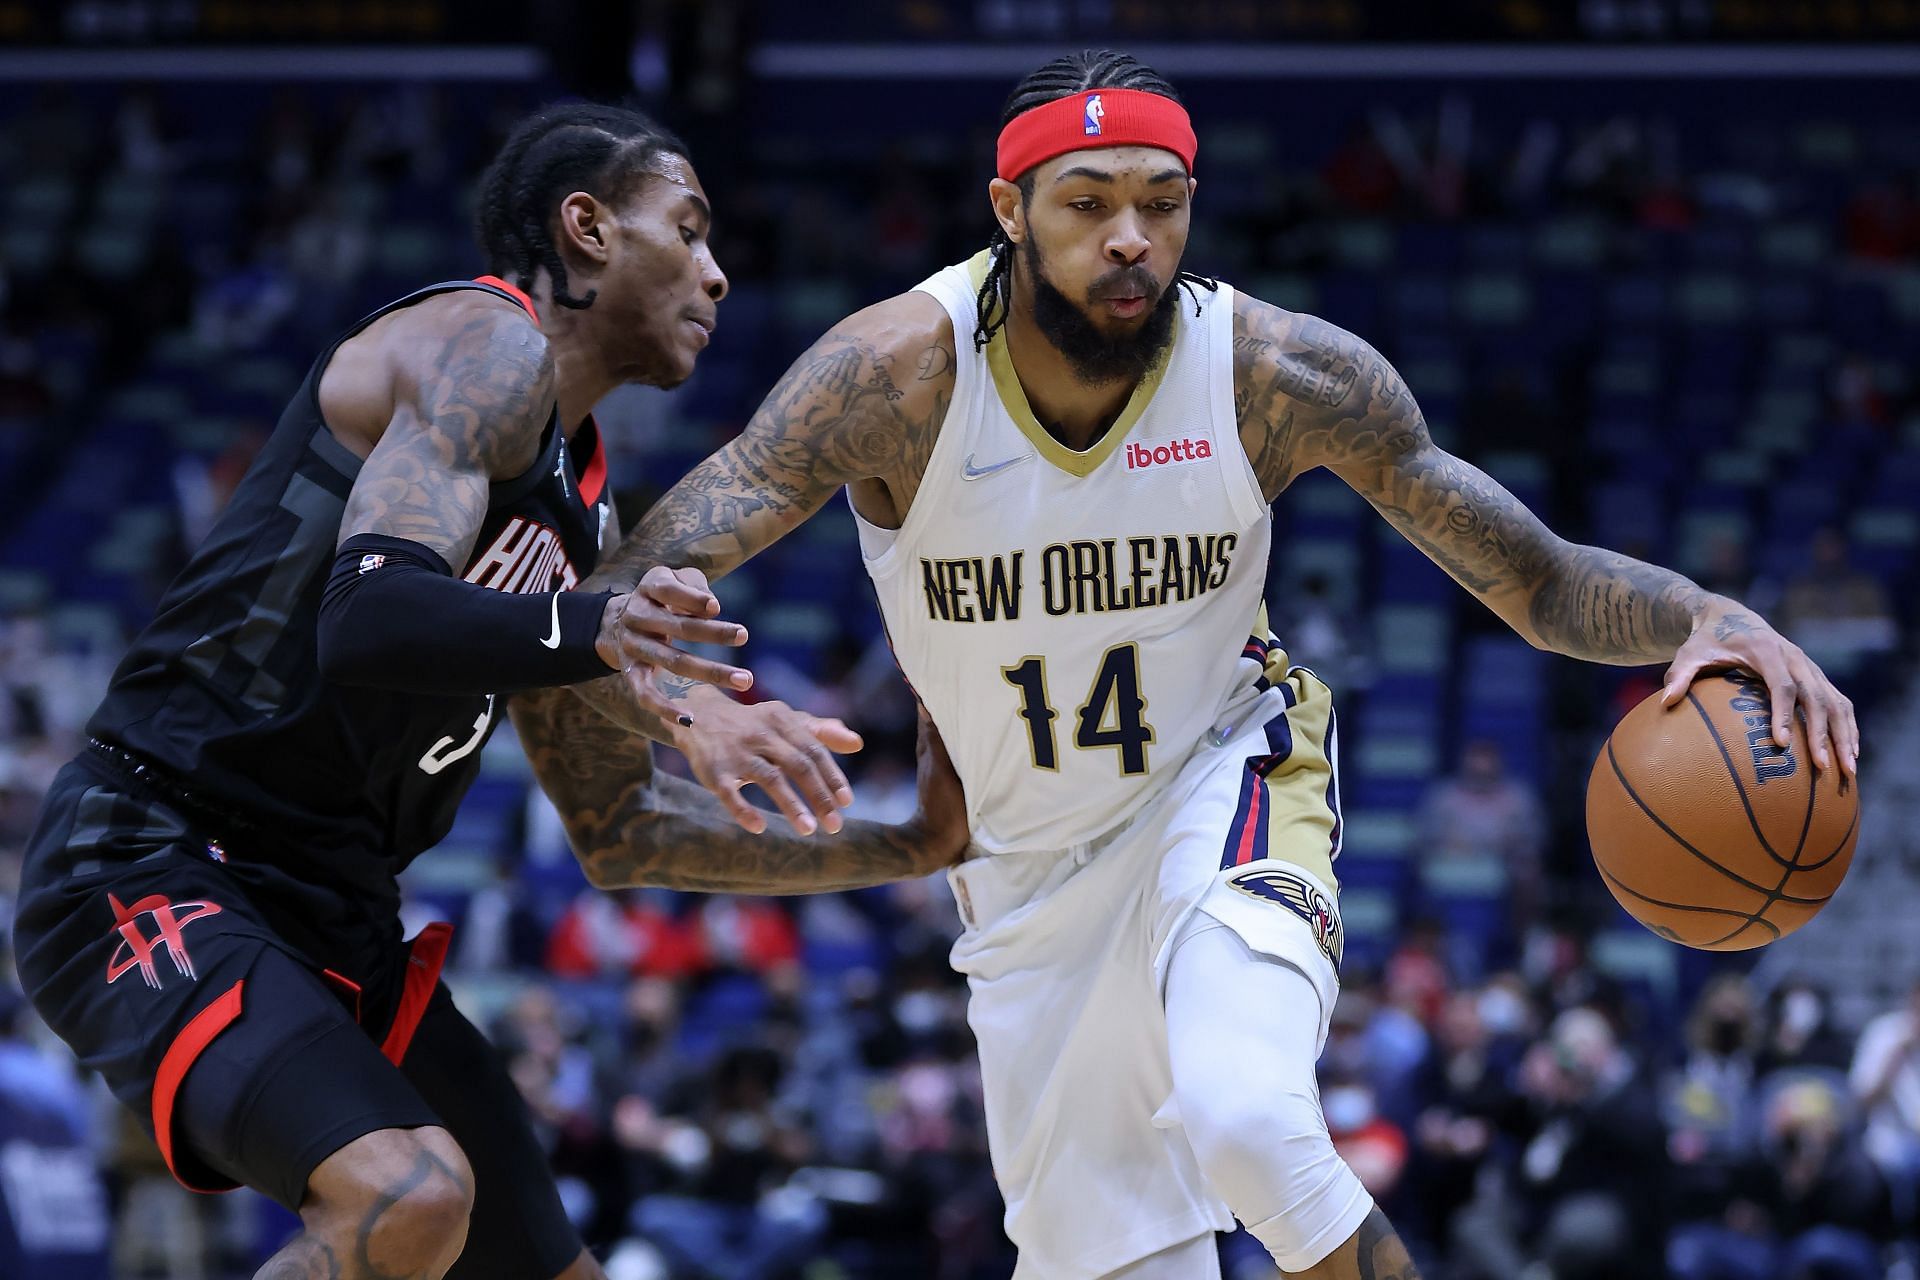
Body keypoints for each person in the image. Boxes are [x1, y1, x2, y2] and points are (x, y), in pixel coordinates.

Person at [584, 51, 1859, 1279]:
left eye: (1163, 202)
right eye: (1088, 205)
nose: (1130, 236)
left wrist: (1710, 613)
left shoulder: (1275, 373)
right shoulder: (892, 377)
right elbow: (618, 585)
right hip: (1025, 876)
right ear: (1009, 209)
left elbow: (1535, 579)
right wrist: (687, 699)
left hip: (1225, 776)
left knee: (1250, 1116)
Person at [11, 103, 968, 1280]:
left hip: (332, 910)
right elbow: (366, 613)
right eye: (688, 228)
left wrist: (905, 845)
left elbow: (619, 834)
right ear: (588, 228)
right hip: (155, 850)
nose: (719, 274)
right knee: (407, 1193)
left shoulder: (586, 516)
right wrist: (617, 635)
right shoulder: (484, 343)